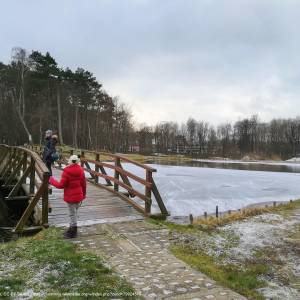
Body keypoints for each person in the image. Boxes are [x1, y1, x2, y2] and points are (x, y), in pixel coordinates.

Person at [49, 155, 86, 238]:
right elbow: (84, 184)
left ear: (70, 161)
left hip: (71, 196)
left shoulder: (67, 171)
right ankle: (71, 229)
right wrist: (84, 195)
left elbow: (61, 185)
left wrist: (52, 180)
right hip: (79, 195)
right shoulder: (81, 170)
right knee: (74, 213)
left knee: (72, 214)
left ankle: (73, 232)